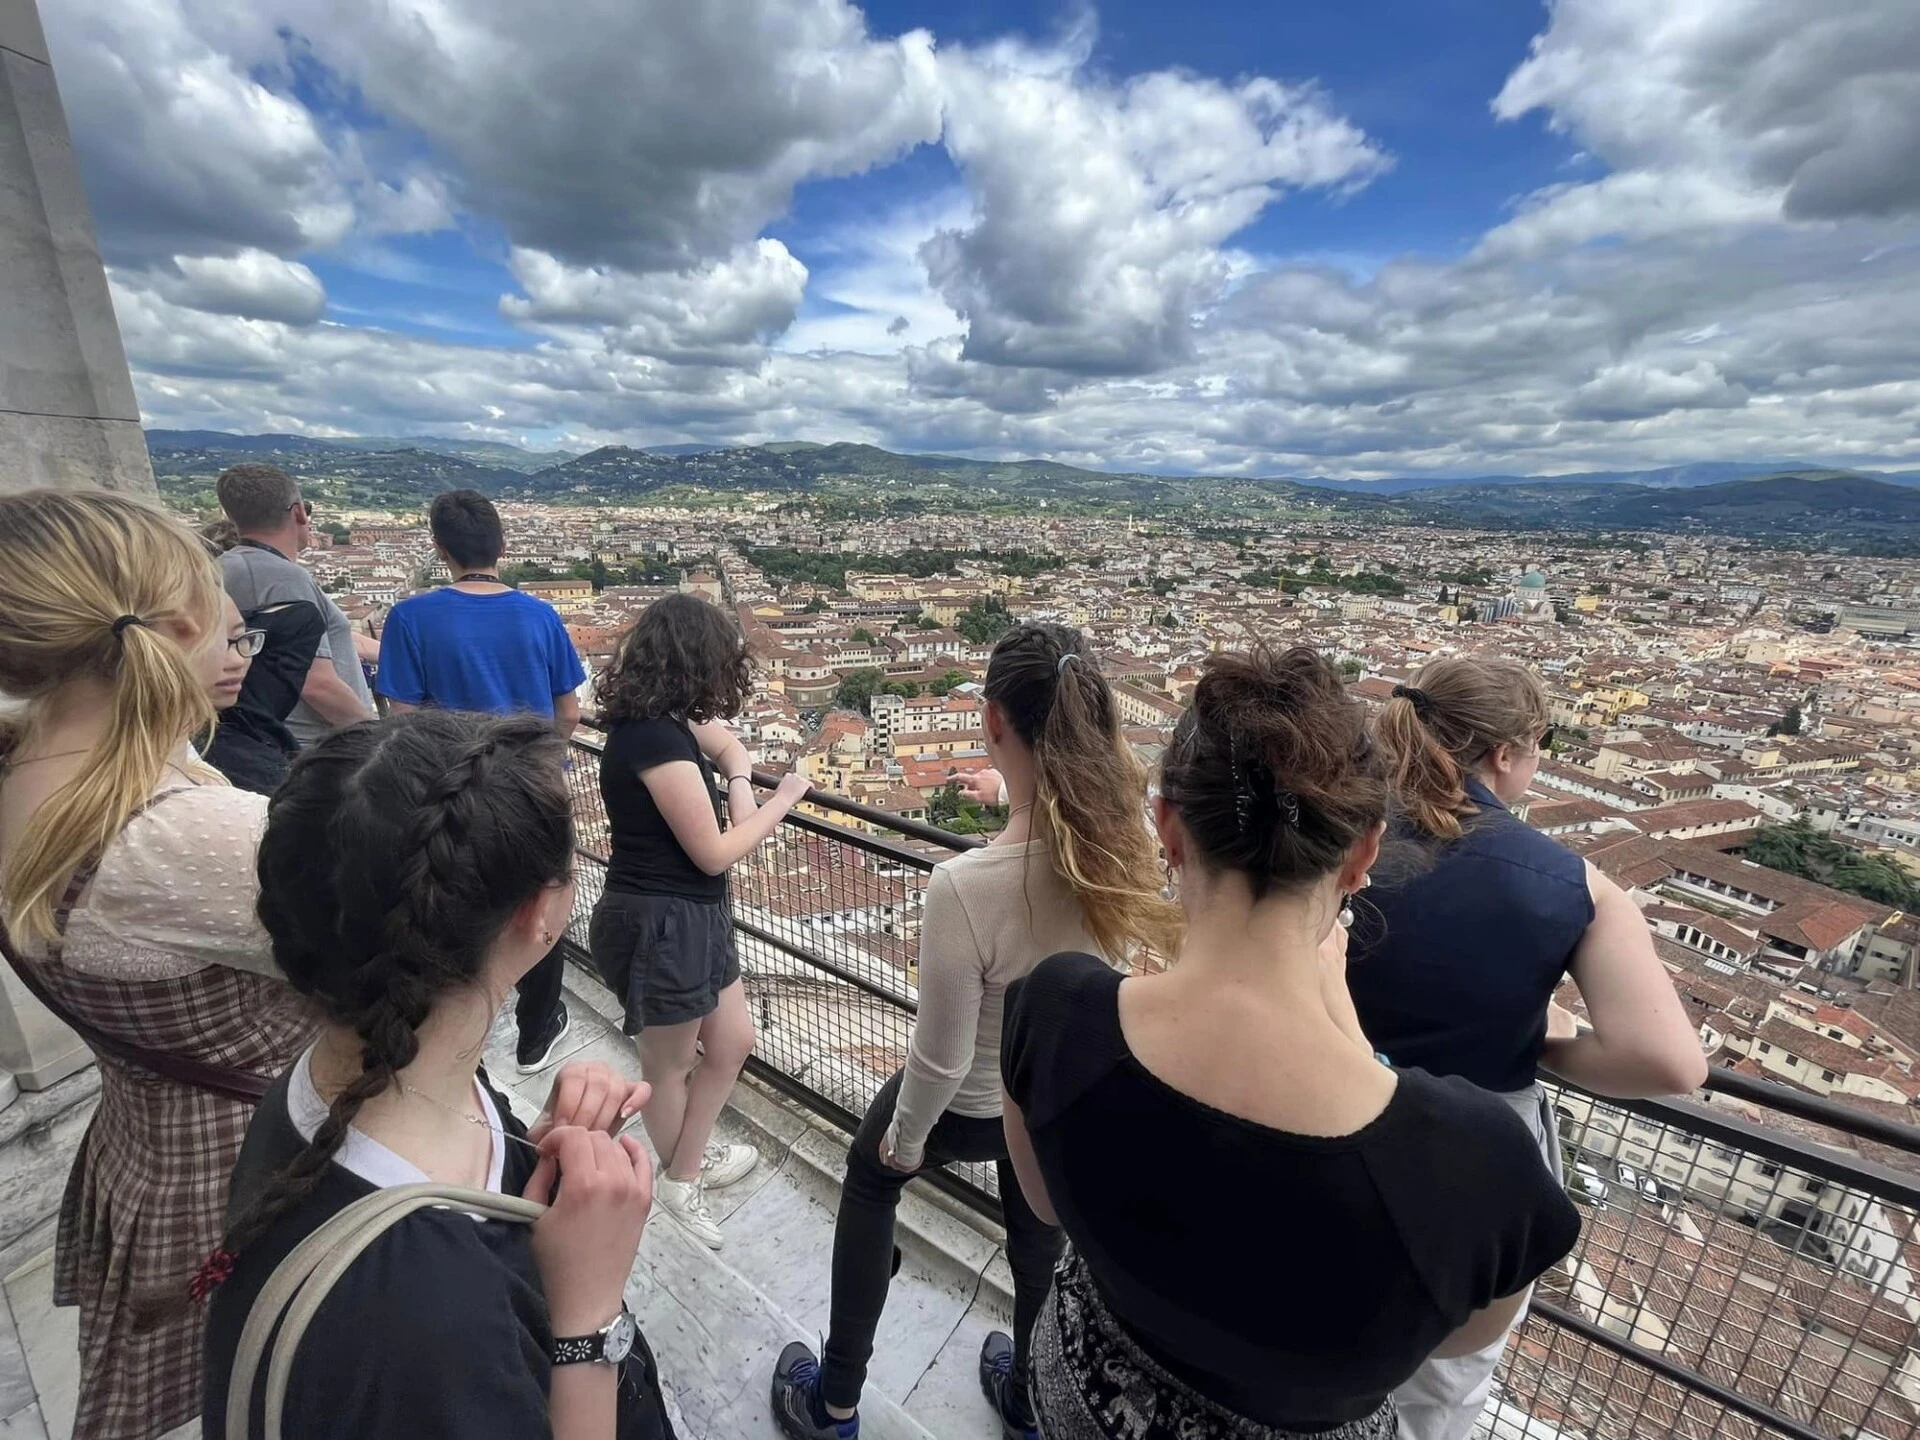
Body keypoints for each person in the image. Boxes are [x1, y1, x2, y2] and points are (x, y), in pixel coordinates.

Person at [999, 646, 1583, 1440]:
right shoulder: (1481, 1167)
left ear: (1168, 827)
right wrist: (1351, 1031)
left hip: (1083, 1401)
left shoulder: (1053, 1011)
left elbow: (1039, 1200)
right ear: (1366, 853)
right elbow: (1454, 1339)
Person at [202, 711, 675, 1440]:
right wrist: (589, 1318)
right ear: (539, 913)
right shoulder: (431, 1327)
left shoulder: (320, 1094)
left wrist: (531, 1157)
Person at [771, 624, 1182, 1440]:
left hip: (966, 1102)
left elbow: (942, 1053)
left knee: (868, 1178)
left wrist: (906, 1141)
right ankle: (1029, 1407)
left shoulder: (964, 887)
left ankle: (837, 1402)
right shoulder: (1121, 848)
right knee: (1035, 1241)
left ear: (993, 722)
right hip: (1055, 1097)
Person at [0, 490, 315, 1440]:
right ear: (179, 627)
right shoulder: (189, 838)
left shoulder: (29, 769)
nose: (237, 649)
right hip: (255, 1164)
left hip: (150, 1142)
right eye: (228, 633)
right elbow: (408, 954)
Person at [1348, 657, 1708, 1440]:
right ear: (1509, 753)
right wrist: (1544, 1047)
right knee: (1442, 1378)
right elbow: (1671, 1063)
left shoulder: (1333, 832)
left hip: (1321, 1099)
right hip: (1478, 1147)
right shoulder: (1568, 884)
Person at [589, 594, 810, 1248]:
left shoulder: (661, 725)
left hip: (694, 917)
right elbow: (717, 850)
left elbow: (727, 751)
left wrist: (739, 771)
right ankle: (682, 1180)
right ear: (700, 663)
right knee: (668, 1067)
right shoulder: (656, 740)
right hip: (661, 923)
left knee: (734, 1040)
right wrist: (786, 798)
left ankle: (690, 1157)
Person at [375, 489, 589, 1072]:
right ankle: (536, 1033)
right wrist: (549, 761)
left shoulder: (410, 618)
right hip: (532, 788)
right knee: (539, 907)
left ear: (440, 548)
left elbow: (404, 720)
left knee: (456, 903)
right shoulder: (540, 615)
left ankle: (456, 1030)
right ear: (502, 545)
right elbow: (568, 713)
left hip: (453, 790)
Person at [214, 463, 376, 746]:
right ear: (299, 512)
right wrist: (378, 736)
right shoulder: (280, 576)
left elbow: (328, 640)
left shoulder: (227, 567)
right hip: (315, 746)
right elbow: (316, 684)